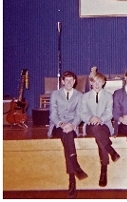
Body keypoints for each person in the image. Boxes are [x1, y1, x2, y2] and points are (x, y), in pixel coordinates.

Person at [47, 71, 87, 199]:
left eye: (72, 80)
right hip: (57, 126)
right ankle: (74, 168)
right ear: (62, 81)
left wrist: (73, 125)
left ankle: (72, 179)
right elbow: (53, 113)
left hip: (72, 127)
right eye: (67, 80)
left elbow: (79, 114)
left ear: (75, 81)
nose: (69, 82)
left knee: (68, 136)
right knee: (67, 136)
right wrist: (61, 124)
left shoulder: (80, 95)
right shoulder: (55, 94)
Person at [79, 72, 121, 188]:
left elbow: (110, 113)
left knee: (99, 134)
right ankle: (109, 153)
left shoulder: (108, 96)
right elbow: (82, 113)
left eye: (99, 82)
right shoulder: (85, 96)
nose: (97, 85)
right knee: (96, 128)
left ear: (103, 83)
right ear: (91, 83)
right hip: (90, 126)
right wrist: (90, 118)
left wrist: (100, 119)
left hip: (105, 125)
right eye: (94, 82)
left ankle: (103, 170)